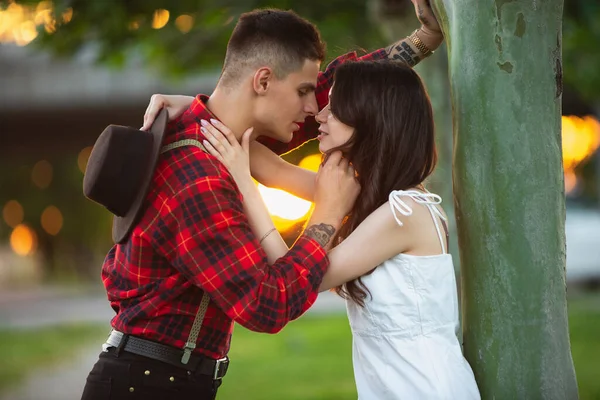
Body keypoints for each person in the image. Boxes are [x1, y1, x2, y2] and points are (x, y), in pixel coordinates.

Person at [83, 3, 445, 400]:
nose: (315, 108)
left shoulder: (222, 137)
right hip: (148, 384)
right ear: (262, 81)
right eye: (304, 92)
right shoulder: (196, 175)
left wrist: (423, 40)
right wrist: (325, 215)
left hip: (165, 377)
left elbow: (347, 98)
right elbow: (266, 304)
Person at [198, 59, 481, 399]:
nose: (320, 115)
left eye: (335, 108)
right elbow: (273, 170)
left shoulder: (404, 213)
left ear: (370, 120)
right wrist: (196, 109)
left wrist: (243, 182)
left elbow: (298, 275)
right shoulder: (368, 197)